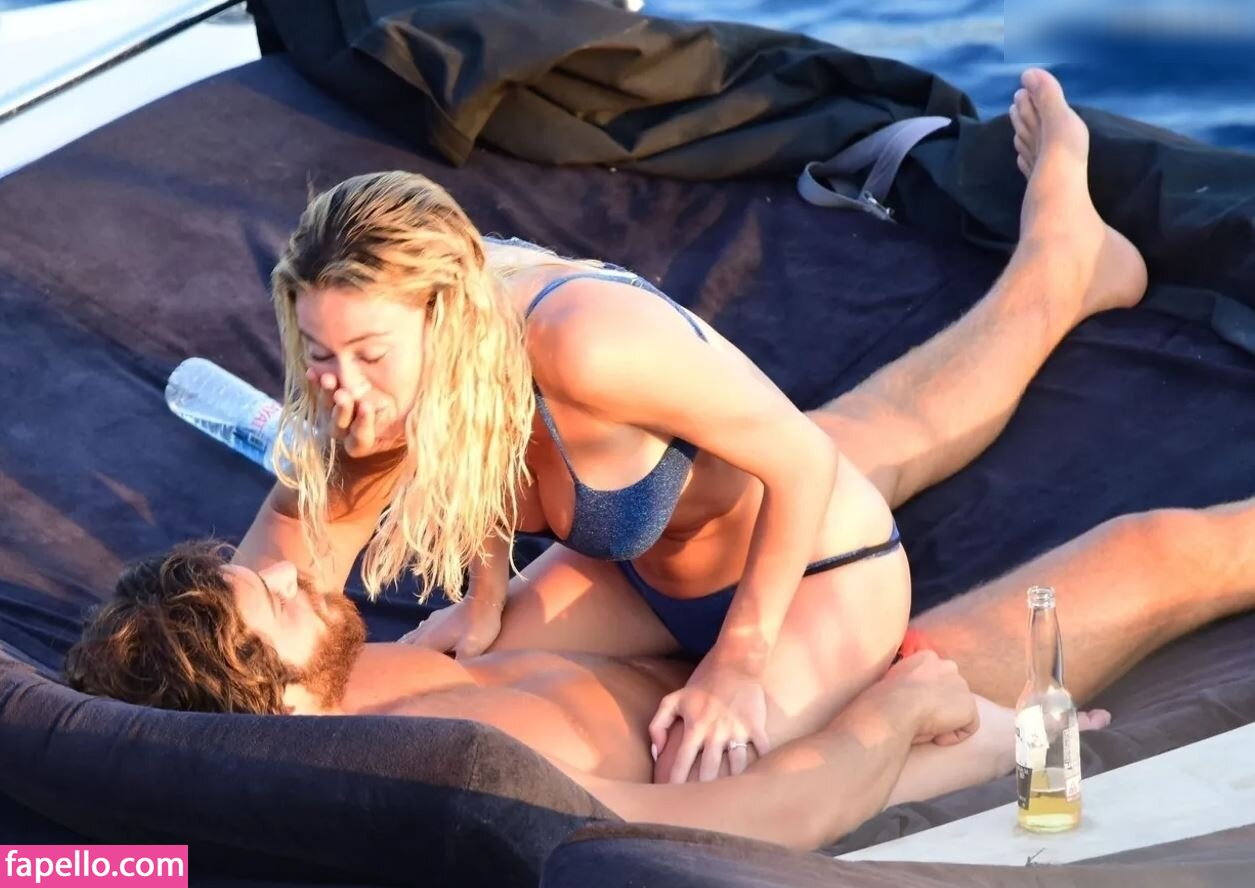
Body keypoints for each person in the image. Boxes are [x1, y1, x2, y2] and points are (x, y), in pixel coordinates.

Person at [233, 67, 1153, 783]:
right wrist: (481, 601)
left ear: (446, 315)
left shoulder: (586, 344)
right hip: (640, 571)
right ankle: (1066, 261)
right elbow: (472, 455)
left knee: (714, 773)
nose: (340, 383)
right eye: (319, 352)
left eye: (367, 354)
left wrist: (739, 664)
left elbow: (803, 461)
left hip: (815, 572)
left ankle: (994, 726)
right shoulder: (377, 377)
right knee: (441, 664)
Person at [66, 539, 1098, 850]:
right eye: (276, 600)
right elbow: (753, 821)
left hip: (736, 655)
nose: (294, 572)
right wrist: (900, 707)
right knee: (1149, 552)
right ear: (274, 705)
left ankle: (1051, 278)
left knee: (799, 471)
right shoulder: (436, 775)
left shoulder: (347, 673)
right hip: (830, 735)